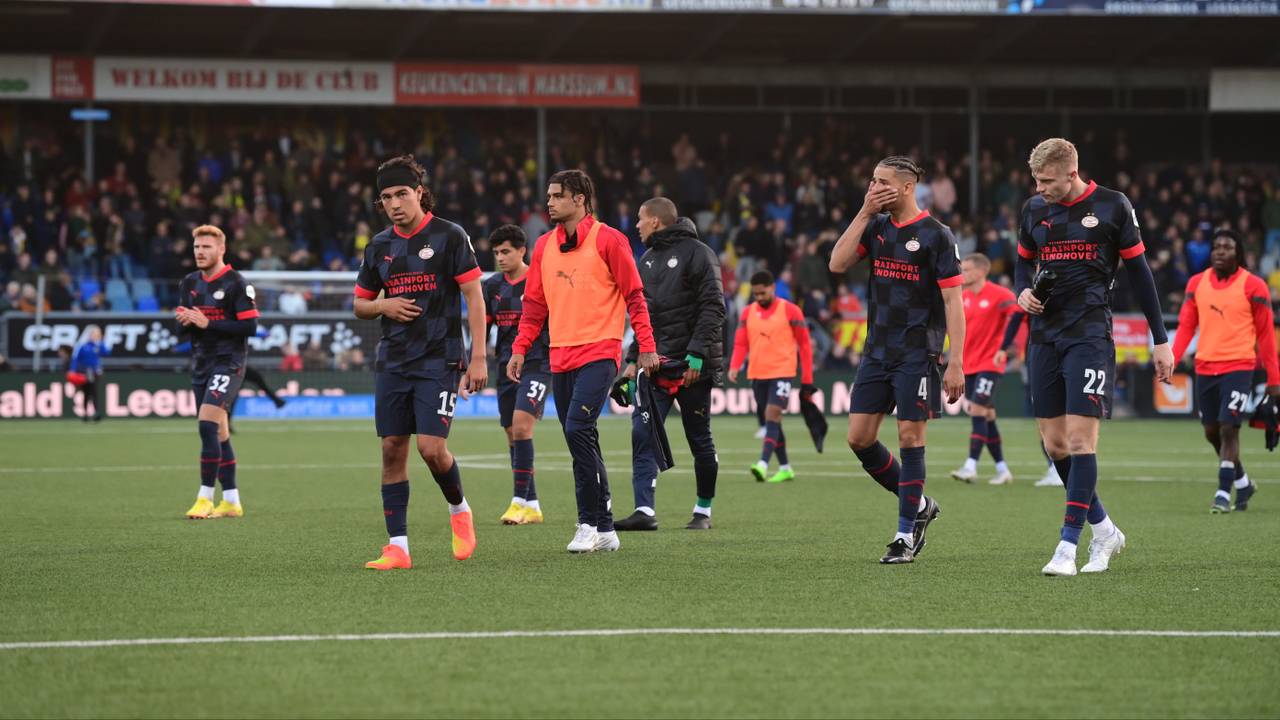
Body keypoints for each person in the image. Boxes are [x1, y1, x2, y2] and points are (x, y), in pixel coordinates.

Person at [1014, 138, 1174, 576]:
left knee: (1082, 441)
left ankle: (1069, 545)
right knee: (1055, 444)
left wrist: (1160, 339)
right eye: (1036, 180)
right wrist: (1022, 292)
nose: (1040, 188)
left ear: (1072, 172)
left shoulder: (1112, 206)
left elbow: (1141, 276)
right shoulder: (1033, 211)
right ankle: (1104, 529)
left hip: (1089, 336)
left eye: (1047, 180)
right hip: (1044, 336)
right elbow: (1021, 263)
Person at [508, 169, 659, 554]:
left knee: (577, 429)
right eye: (548, 195)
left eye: (557, 195)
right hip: (560, 356)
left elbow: (635, 296)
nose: (549, 202)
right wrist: (520, 349)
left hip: (599, 352)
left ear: (580, 199)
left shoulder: (610, 239)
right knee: (583, 438)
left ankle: (587, 523)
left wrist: (646, 346)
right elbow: (534, 305)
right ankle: (607, 528)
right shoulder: (543, 246)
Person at [829, 155, 965, 565]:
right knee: (859, 439)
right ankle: (921, 505)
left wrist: (955, 361)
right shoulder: (876, 226)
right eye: (872, 181)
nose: (874, 188)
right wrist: (864, 211)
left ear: (907, 187)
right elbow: (836, 264)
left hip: (917, 353)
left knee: (910, 438)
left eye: (882, 182)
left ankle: (904, 536)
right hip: (877, 351)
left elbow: (953, 302)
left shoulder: (936, 235)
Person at [352, 155, 487, 571]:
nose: (395, 203)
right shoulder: (379, 246)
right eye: (387, 197)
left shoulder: (449, 236)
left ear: (419, 193)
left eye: (402, 194)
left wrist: (479, 357)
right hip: (393, 360)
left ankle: (459, 509)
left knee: (431, 449)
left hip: (440, 358)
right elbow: (359, 304)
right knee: (392, 450)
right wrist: (383, 305)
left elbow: (474, 297)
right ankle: (398, 548)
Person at [614, 197, 725, 532]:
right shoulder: (646, 260)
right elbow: (644, 318)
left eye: (640, 219)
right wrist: (632, 361)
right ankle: (644, 511)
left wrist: (697, 354)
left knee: (699, 439)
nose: (636, 225)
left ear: (656, 222)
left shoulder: (699, 253)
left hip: (691, 367)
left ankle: (702, 511)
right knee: (641, 432)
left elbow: (713, 306)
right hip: (655, 365)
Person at [1171, 229, 1280, 513]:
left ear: (1238, 253)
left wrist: (1274, 379)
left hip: (1239, 365)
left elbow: (1267, 335)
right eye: (1216, 247)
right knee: (1212, 432)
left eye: (1227, 247)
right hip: (1205, 366)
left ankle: (1223, 492)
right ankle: (1243, 482)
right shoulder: (1196, 283)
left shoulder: (1254, 286)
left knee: (1229, 428)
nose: (1220, 251)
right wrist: (1172, 358)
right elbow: (1185, 326)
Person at [176, 225, 259, 520]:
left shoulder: (236, 283)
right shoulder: (189, 283)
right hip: (201, 364)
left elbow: (250, 327)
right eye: (197, 247)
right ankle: (232, 501)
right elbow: (181, 330)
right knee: (220, 432)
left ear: (221, 249)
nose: (200, 252)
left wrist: (207, 324)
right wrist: (186, 321)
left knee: (207, 425)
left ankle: (205, 497)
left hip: (229, 362)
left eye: (206, 247)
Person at [483, 224, 550, 526]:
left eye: (506, 251)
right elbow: (483, 327)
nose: (500, 257)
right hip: (504, 366)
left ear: (522, 251)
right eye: (496, 252)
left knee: (523, 428)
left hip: (538, 362)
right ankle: (533, 504)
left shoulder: (539, 280)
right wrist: (473, 363)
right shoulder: (492, 286)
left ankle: (517, 502)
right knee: (512, 433)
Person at [727, 270, 815, 485]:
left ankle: (763, 464)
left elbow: (804, 345)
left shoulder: (791, 311)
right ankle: (785, 468)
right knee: (772, 420)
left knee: (772, 414)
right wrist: (735, 365)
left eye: (762, 293)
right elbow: (740, 343)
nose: (759, 298)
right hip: (757, 373)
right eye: (755, 294)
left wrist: (807, 379)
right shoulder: (747, 313)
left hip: (783, 371)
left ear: (773, 288)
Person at [948, 254, 1018, 486]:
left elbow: (1019, 317)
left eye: (966, 270)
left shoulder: (1002, 295)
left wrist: (1010, 347)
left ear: (981, 272)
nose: (963, 273)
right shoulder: (962, 297)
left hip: (990, 363)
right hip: (968, 365)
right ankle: (1003, 468)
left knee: (977, 410)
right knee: (987, 416)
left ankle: (970, 466)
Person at [70, 325, 109, 423]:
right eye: (94, 334)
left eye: (97, 335)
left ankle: (95, 412)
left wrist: (102, 341)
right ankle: (85, 413)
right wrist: (73, 370)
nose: (96, 336)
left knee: (94, 391)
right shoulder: (82, 346)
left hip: (94, 372)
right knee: (87, 393)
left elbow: (106, 352)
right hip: (84, 372)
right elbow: (76, 359)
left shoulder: (98, 345)